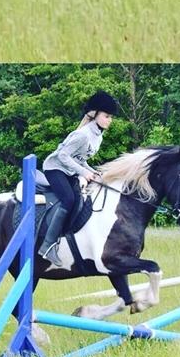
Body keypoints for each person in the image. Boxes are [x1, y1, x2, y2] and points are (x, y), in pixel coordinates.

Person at [38, 90, 121, 267]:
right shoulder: (83, 134)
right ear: (95, 114)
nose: (110, 120)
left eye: (111, 117)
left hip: (68, 170)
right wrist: (84, 173)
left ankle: (66, 240)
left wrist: (93, 172)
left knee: (79, 199)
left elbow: (80, 159)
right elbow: (63, 156)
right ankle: (47, 245)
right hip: (54, 168)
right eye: (107, 116)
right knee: (68, 200)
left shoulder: (98, 136)